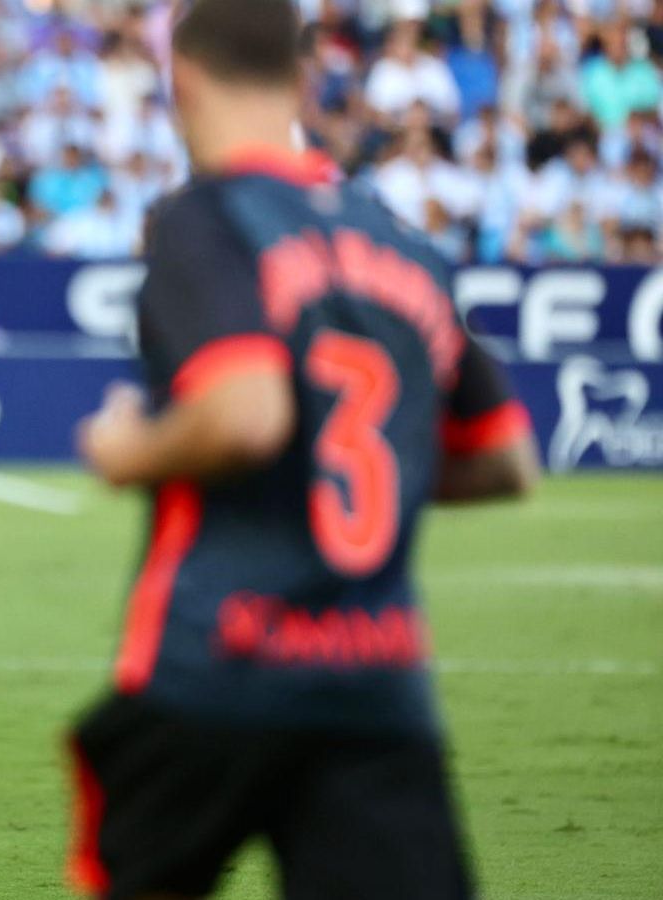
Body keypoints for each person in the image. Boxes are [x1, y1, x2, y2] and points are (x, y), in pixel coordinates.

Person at [69, 2, 541, 898]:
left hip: (216, 664)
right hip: (376, 682)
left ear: (183, 80)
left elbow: (246, 415)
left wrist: (127, 451)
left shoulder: (208, 218)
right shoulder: (398, 237)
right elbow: (506, 461)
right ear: (308, 79)